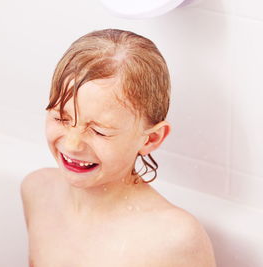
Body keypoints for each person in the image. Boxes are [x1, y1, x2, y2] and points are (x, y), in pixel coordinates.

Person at [21, 29, 216, 267]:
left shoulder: (174, 239)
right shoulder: (37, 191)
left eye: (99, 131)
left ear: (150, 139)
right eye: (61, 119)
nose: (72, 143)